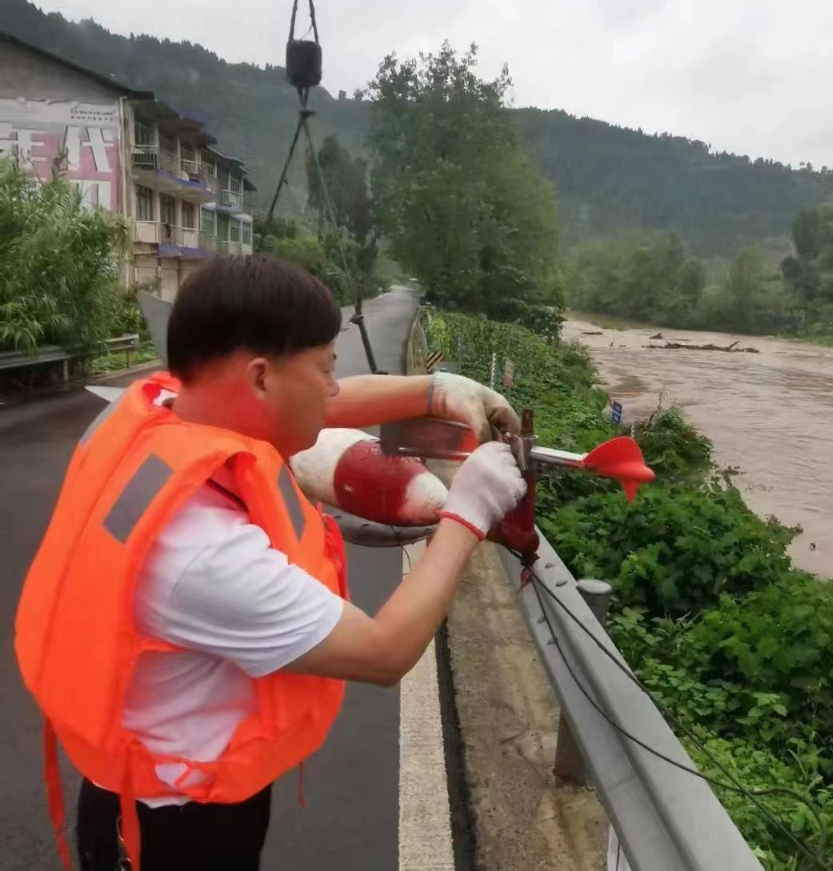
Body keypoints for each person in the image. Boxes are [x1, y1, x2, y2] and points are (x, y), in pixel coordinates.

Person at [15, 254, 528, 871]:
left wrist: (438, 391)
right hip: (178, 830)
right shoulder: (204, 549)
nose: (335, 388)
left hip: (126, 788)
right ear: (260, 379)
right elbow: (385, 652)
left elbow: (328, 406)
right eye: (326, 369)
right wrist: (468, 513)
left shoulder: (162, 408)